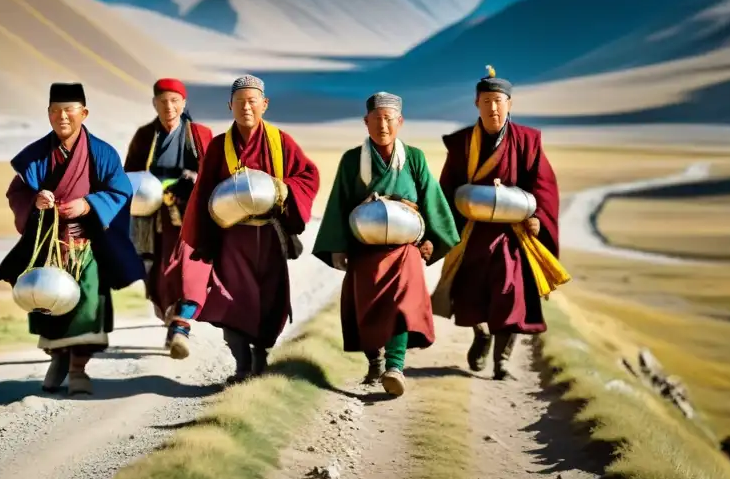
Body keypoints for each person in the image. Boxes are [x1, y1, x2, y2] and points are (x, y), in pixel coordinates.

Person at [0, 82, 145, 396]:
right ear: (48, 114)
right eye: (55, 111)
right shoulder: (36, 155)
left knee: (87, 309)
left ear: (84, 113)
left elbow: (120, 190)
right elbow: (17, 193)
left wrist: (89, 204)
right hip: (47, 245)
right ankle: (57, 359)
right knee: (47, 305)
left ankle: (78, 370)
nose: (62, 117)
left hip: (85, 245)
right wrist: (36, 200)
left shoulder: (102, 153)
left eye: (69, 110)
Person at [173, 75, 320, 384]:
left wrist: (284, 189)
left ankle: (260, 359)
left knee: (269, 302)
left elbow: (308, 174)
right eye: (239, 102)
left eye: (252, 101)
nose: (246, 107)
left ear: (264, 104)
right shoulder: (218, 146)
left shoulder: (281, 142)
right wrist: (203, 236)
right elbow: (204, 193)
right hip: (233, 240)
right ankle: (241, 366)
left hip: (269, 237)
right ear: (230, 106)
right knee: (231, 300)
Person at [312, 92, 459, 396]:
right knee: (367, 309)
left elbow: (432, 199)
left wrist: (432, 238)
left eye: (389, 119)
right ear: (366, 122)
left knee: (402, 306)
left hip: (405, 248)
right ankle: (374, 361)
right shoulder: (353, 159)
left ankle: (395, 366)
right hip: (364, 247)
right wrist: (338, 246)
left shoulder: (414, 158)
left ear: (400, 122)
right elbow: (339, 203)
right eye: (376, 119)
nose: (383, 125)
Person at [433, 67, 568, 381]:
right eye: (486, 101)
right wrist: (443, 228)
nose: (493, 107)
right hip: (471, 231)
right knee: (468, 294)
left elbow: (544, 185)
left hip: (512, 235)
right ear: (476, 104)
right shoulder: (462, 143)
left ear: (509, 104)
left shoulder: (527, 141)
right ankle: (481, 334)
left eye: (499, 100)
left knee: (510, 295)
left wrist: (536, 218)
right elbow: (447, 187)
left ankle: (502, 362)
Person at [123, 78, 214, 356]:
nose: (169, 107)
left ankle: (181, 326)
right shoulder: (145, 136)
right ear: (154, 104)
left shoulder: (200, 134)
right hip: (156, 219)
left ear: (184, 103)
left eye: (174, 101)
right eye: (163, 101)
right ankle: (172, 319)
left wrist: (193, 180)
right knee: (161, 275)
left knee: (193, 271)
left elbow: (212, 173)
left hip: (191, 217)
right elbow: (131, 176)